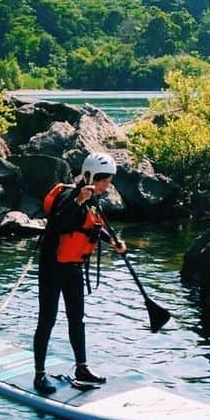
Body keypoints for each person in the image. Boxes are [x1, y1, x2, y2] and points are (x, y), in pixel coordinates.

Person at [32, 151, 126, 396]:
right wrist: (78, 201)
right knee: (47, 320)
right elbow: (61, 222)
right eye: (105, 179)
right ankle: (39, 375)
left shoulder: (93, 199)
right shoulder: (67, 196)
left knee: (77, 319)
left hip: (73, 268)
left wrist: (111, 242)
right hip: (52, 267)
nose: (108, 184)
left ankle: (81, 368)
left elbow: (91, 225)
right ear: (91, 176)